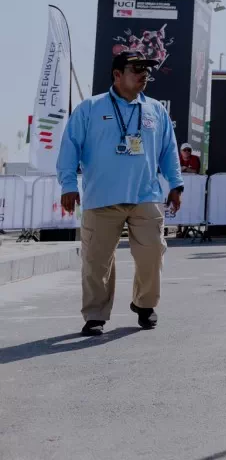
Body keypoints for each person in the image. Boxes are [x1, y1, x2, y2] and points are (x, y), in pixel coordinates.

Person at [56, 51, 184, 335]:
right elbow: (70, 147)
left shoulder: (155, 110)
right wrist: (67, 185)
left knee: (152, 253)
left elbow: (168, 150)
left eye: (147, 70)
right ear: (116, 74)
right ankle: (95, 315)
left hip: (146, 196)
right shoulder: (90, 108)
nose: (144, 74)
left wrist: (175, 184)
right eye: (136, 69)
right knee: (96, 261)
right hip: (101, 198)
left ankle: (144, 304)